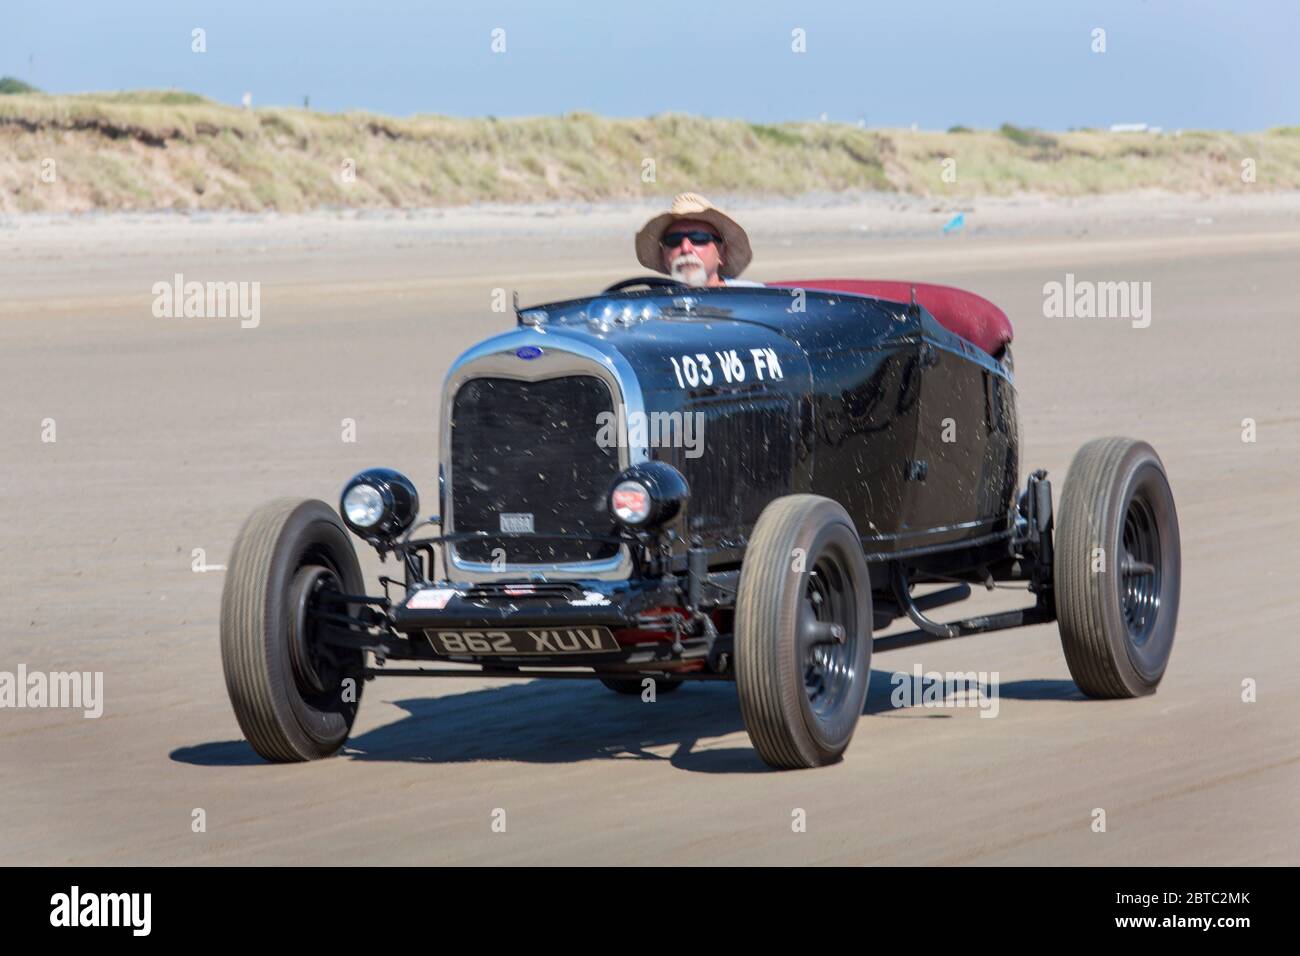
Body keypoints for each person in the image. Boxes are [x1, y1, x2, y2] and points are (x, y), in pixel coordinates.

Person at [634, 192, 763, 288]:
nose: (685, 248)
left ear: (722, 253)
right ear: (663, 255)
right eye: (673, 240)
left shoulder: (753, 298)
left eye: (699, 238)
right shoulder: (651, 306)